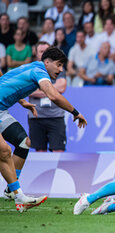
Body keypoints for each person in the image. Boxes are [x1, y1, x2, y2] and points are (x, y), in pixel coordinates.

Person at [0, 46, 87, 212]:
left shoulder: (32, 67)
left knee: (24, 142)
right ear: (47, 62)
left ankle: (11, 189)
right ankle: (20, 196)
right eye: (59, 65)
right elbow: (53, 95)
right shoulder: (39, 71)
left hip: (1, 111)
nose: (61, 70)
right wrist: (75, 113)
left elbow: (8, 81)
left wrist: (22, 100)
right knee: (4, 151)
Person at [27, 41, 67, 152]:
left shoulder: (57, 67)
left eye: (47, 51)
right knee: (40, 153)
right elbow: (27, 90)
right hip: (36, 117)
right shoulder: (31, 69)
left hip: (56, 117)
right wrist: (51, 90)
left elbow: (62, 87)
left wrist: (39, 88)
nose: (44, 54)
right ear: (36, 53)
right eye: (41, 51)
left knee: (58, 151)